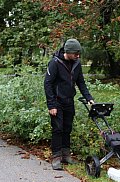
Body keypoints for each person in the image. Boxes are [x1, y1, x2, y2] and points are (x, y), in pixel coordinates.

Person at [44, 38, 94, 170]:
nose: (78, 56)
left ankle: (66, 155)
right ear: (68, 52)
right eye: (75, 53)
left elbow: (81, 83)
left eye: (78, 53)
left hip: (69, 101)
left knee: (67, 128)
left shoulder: (76, 63)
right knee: (57, 128)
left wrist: (89, 97)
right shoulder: (55, 63)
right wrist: (51, 105)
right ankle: (56, 157)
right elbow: (47, 84)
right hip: (57, 102)